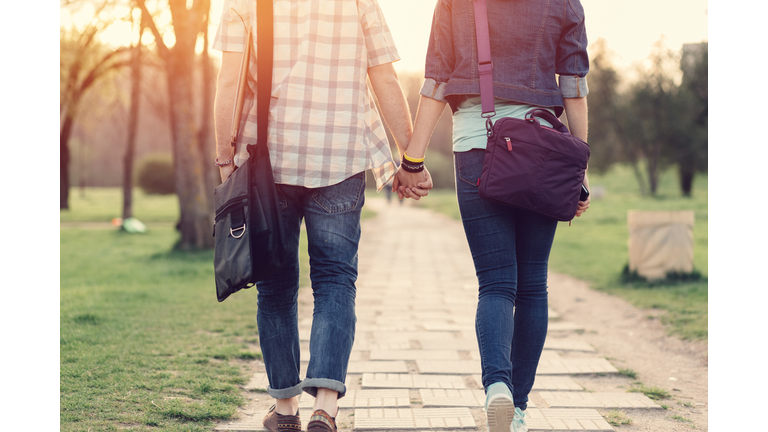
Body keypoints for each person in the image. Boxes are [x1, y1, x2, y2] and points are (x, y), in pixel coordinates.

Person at [212, 1, 431, 431]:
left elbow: (229, 80)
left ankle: (287, 410)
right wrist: (411, 159)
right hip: (340, 156)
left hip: (267, 161)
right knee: (335, 279)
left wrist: (225, 158)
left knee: (275, 284)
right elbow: (383, 76)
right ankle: (325, 408)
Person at [394, 1, 591, 431]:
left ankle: (496, 388)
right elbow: (573, 85)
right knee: (533, 284)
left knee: (497, 284)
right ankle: (517, 410)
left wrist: (413, 159)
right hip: (544, 152)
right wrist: (578, 170)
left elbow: (435, 82)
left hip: (476, 147)